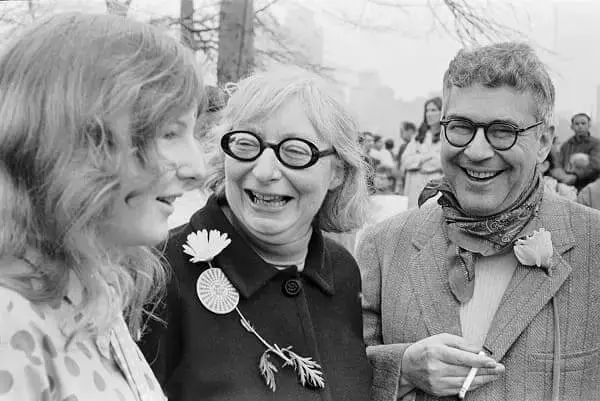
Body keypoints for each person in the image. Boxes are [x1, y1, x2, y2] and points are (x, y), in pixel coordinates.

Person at [357, 41, 600, 401]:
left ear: (545, 141)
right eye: (460, 127)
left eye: (503, 131)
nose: (477, 150)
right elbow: (333, 374)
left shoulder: (593, 245)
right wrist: (402, 368)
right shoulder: (384, 246)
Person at [0, 12, 206, 401]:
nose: (198, 169)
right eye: (169, 133)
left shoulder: (89, 290)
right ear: (75, 140)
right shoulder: (9, 320)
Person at [140, 68, 373, 400]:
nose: (263, 172)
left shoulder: (342, 271)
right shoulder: (158, 273)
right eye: (246, 145)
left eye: (295, 151)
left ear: (337, 171)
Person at [401, 97, 444, 208]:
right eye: (427, 110)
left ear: (442, 111)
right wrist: (426, 157)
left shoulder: (447, 137)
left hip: (434, 191)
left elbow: (440, 162)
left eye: (433, 110)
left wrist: (417, 160)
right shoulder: (418, 136)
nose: (429, 114)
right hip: (413, 190)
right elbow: (406, 161)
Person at [550, 112, 600, 191]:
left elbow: (595, 165)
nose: (580, 126)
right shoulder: (566, 145)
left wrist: (576, 176)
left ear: (589, 125)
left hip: (588, 186)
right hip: (566, 186)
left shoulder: (596, 143)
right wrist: (562, 175)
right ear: (572, 126)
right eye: (577, 124)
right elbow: (558, 163)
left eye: (583, 123)